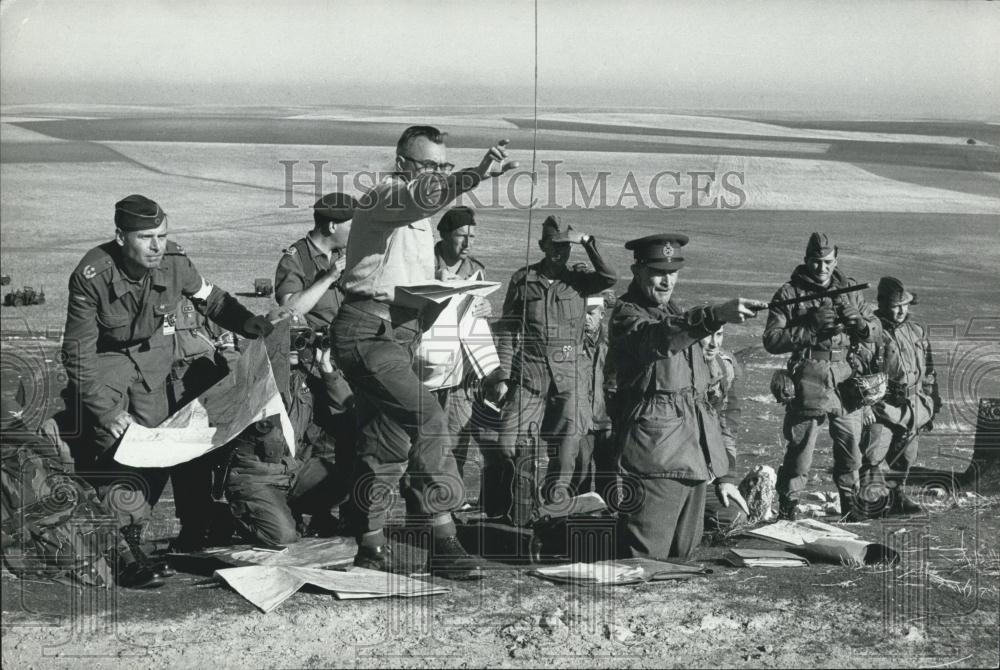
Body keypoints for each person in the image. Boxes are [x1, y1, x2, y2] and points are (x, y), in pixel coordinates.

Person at [330, 125, 516, 578]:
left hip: (399, 333)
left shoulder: (418, 214)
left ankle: (370, 545)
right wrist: (474, 175)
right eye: (429, 165)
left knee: (388, 440)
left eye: (443, 165)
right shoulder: (385, 196)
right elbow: (423, 198)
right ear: (402, 164)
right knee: (428, 416)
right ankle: (444, 536)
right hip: (368, 331)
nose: (437, 173)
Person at [61, 194, 273, 575]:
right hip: (107, 364)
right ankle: (115, 544)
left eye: (161, 235)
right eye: (146, 237)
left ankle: (132, 532)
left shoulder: (174, 261)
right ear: (121, 237)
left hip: (153, 362)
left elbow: (211, 298)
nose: (157, 245)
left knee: (156, 447)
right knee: (115, 445)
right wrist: (106, 412)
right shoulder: (92, 274)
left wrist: (246, 322)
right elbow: (77, 353)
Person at [609, 233, 759, 560]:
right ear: (637, 271)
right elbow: (657, 340)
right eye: (658, 272)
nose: (667, 281)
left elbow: (702, 398)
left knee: (683, 556)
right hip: (657, 455)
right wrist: (713, 316)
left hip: (693, 455)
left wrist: (722, 470)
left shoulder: (672, 311)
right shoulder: (627, 315)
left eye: (673, 272)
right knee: (646, 559)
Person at [490, 216, 617, 510]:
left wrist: (587, 241)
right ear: (542, 246)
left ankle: (553, 506)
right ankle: (520, 504)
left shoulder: (579, 281)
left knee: (567, 449)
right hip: (530, 375)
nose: (560, 252)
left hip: (569, 377)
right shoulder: (523, 280)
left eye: (565, 246)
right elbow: (508, 329)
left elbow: (610, 276)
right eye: (554, 245)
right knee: (508, 443)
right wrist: (503, 375)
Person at [763, 232, 882, 522]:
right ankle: (788, 507)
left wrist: (860, 324)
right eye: (816, 262)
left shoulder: (851, 291)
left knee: (850, 447)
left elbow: (876, 329)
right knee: (801, 450)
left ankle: (851, 505)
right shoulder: (789, 293)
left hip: (845, 379)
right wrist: (809, 328)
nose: (822, 268)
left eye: (828, 262)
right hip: (808, 378)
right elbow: (772, 339)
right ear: (806, 260)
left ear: (836, 261)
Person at [224, 318, 355, 546]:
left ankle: (288, 511)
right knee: (282, 538)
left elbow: (346, 410)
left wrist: (326, 368)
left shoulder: (306, 378)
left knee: (350, 483)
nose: (294, 346)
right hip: (256, 476)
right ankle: (224, 516)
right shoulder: (253, 372)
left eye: (300, 339)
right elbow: (235, 384)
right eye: (287, 338)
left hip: (294, 471)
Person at [274, 192, 358, 530]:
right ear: (333, 225)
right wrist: (328, 277)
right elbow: (289, 309)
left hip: (342, 362)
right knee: (310, 440)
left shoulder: (344, 255)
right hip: (309, 367)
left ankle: (340, 513)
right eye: (352, 224)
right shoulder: (296, 259)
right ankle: (301, 511)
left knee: (346, 437)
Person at [857, 276, 940, 515]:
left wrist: (932, 404)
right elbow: (858, 371)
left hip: (914, 406)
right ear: (882, 303)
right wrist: (865, 407)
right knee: (873, 453)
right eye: (896, 306)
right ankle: (870, 501)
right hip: (882, 405)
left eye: (905, 305)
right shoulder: (871, 332)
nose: (902, 310)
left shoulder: (916, 331)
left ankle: (897, 497)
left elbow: (929, 371)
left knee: (906, 455)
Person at [431, 206, 492, 481]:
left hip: (461, 373)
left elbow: (476, 317)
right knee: (421, 440)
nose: (468, 243)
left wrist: (487, 309)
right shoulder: (422, 263)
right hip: (426, 367)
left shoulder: (476, 270)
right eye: (461, 236)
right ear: (444, 235)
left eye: (472, 237)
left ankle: (450, 498)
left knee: (456, 440)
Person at [699, 326, 748, 531]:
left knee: (734, 517)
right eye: (706, 334)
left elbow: (727, 426)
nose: (714, 343)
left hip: (701, 473)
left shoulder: (725, 366)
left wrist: (726, 479)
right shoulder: (667, 366)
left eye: (718, 334)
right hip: (664, 471)